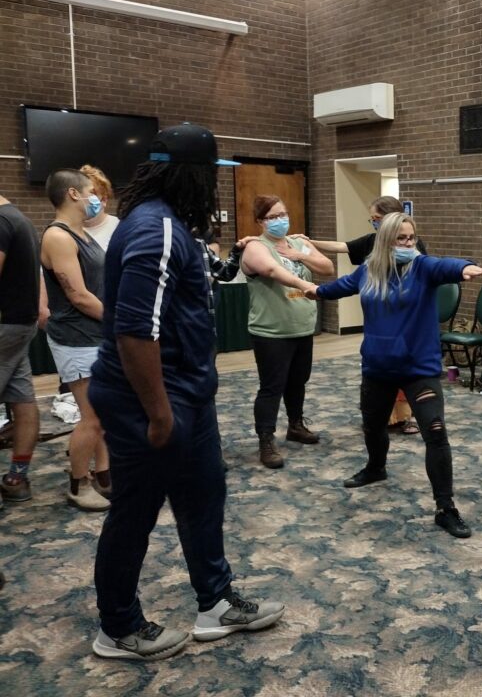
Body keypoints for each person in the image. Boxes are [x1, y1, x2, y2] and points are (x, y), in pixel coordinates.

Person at [90, 123, 284, 660]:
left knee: (204, 497)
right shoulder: (156, 231)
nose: (213, 188)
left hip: (185, 397)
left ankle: (215, 603)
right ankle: (118, 626)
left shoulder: (170, 225)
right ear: (188, 174)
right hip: (151, 401)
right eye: (209, 175)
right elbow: (134, 331)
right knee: (136, 511)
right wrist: (158, 414)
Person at [310, 212, 482, 539]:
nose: (409, 244)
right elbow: (340, 287)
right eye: (401, 239)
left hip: (419, 368)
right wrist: (315, 292)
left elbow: (446, 265)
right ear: (385, 241)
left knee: (435, 432)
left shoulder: (423, 268)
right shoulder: (368, 271)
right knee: (373, 425)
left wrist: (464, 266)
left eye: (411, 238)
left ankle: (445, 507)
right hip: (378, 366)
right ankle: (376, 468)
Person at [299, 195, 426, 435]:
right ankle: (386, 417)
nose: (374, 223)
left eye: (377, 219)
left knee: (407, 368)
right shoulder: (372, 243)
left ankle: (410, 416)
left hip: (406, 321)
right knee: (379, 371)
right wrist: (308, 242)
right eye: (373, 220)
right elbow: (343, 248)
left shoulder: (412, 249)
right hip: (380, 320)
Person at [240, 195, 332, 469]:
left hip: (302, 327)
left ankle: (295, 425)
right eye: (272, 217)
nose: (280, 220)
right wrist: (305, 285)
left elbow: (327, 267)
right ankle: (266, 440)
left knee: (298, 381)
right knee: (272, 387)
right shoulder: (255, 246)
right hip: (271, 331)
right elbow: (270, 270)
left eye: (283, 214)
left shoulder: (298, 243)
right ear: (260, 221)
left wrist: (301, 254)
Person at [40, 169, 110, 511]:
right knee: (92, 417)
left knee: (101, 414)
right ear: (73, 194)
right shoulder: (58, 236)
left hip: (93, 336)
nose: (95, 197)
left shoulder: (81, 233)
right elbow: (79, 296)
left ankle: (104, 475)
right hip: (77, 338)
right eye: (91, 192)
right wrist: (120, 321)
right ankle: (78, 483)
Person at [0, 193, 41, 507]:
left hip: (5, 325)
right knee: (22, 399)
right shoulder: (21, 219)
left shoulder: (1, 222)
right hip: (21, 324)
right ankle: (16, 479)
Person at [81, 164, 119, 251]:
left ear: (104, 199)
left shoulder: (119, 228)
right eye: (81, 194)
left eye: (92, 194)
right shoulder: (64, 232)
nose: (85, 200)